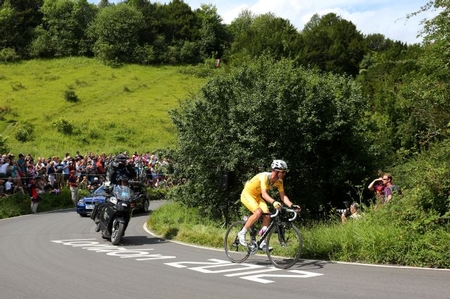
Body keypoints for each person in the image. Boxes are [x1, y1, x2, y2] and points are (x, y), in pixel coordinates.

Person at [237, 159, 300, 249]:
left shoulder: (279, 182)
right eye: (283, 172)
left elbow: (283, 197)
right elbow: (264, 194)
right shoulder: (264, 177)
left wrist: (292, 205)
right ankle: (242, 233)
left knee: (267, 216)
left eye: (285, 172)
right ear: (276, 171)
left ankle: (262, 241)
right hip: (247, 194)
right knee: (258, 212)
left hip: (257, 197)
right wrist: (274, 202)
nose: (284, 174)